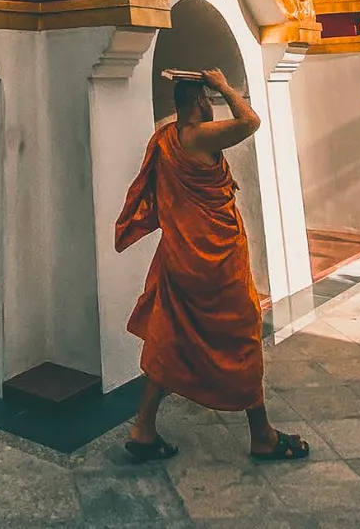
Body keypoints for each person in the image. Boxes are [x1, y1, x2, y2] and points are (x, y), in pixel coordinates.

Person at [115, 66, 309, 462]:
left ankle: (143, 428)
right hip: (218, 266)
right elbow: (250, 121)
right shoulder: (200, 136)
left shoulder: (166, 138)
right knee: (242, 338)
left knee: (168, 339)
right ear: (201, 103)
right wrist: (225, 86)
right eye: (209, 101)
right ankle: (262, 435)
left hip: (181, 259)